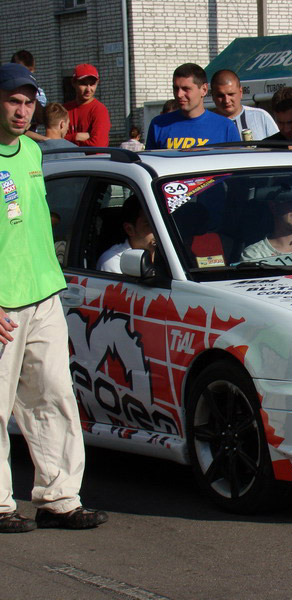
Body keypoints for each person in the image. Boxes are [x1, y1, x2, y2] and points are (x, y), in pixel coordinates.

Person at [0, 63, 108, 533]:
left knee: (54, 397)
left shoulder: (30, 152)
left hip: (43, 293)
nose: (22, 111)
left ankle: (59, 498)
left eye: (28, 103)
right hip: (3, 302)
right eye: (13, 101)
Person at [146, 63, 239, 150]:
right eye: (176, 88)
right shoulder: (158, 125)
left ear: (204, 89)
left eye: (186, 89)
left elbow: (235, 160)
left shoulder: (225, 127)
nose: (179, 94)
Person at [210, 69, 277, 140]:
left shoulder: (260, 116)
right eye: (220, 96)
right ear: (213, 96)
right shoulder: (207, 123)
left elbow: (277, 144)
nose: (226, 100)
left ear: (241, 92)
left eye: (231, 94)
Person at [97, 196, 157, 273]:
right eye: (149, 224)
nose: (156, 229)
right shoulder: (114, 262)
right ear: (129, 229)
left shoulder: (167, 252)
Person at [63, 64, 110, 147]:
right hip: (68, 156)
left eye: (92, 84)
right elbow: (54, 140)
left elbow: (98, 145)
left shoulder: (99, 110)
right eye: (83, 84)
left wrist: (68, 140)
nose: (88, 89)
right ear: (73, 83)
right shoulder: (64, 110)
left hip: (91, 157)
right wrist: (76, 137)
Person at [10, 51, 46, 139]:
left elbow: (41, 119)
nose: (26, 75)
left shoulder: (38, 92)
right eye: (21, 71)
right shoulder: (4, 90)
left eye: (30, 71)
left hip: (28, 139)